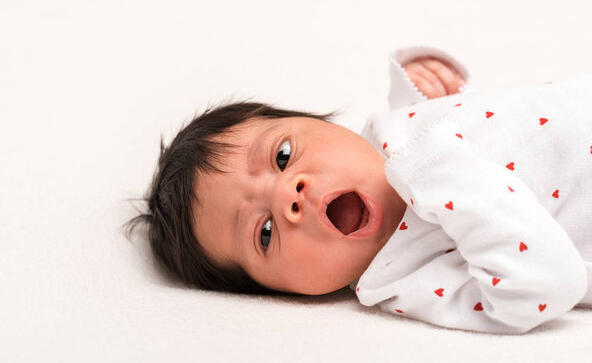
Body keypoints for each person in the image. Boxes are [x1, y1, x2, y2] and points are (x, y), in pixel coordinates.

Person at [126, 46, 592, 334]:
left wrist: (424, 90)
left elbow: (457, 133)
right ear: (283, 293)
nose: (290, 194)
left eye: (283, 156)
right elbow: (545, 287)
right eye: (264, 233)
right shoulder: (404, 280)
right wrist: (446, 177)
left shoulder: (388, 140)